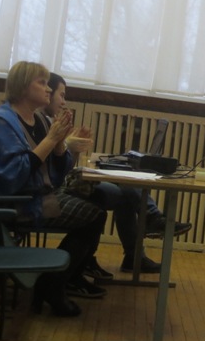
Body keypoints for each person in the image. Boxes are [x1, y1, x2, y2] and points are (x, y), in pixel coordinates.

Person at [0, 62, 134, 316]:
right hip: (16, 202)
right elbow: (11, 177)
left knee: (95, 210)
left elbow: (57, 174)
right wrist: (51, 139)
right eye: (42, 83)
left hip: (37, 195)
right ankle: (54, 283)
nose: (49, 89)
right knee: (93, 215)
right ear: (22, 87)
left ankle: (62, 280)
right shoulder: (2, 121)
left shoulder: (37, 119)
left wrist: (60, 143)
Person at [42, 74, 190, 271]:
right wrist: (68, 145)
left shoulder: (48, 121)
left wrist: (72, 149)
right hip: (56, 192)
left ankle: (138, 247)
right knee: (125, 194)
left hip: (63, 184)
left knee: (125, 190)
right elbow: (54, 172)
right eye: (61, 95)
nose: (63, 102)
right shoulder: (44, 123)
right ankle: (145, 231)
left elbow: (60, 167)